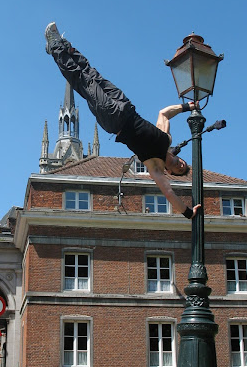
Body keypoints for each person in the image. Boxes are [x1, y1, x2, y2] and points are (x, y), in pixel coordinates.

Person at [45, 22, 201, 219]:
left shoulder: (155, 168)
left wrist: (188, 213)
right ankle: (64, 44)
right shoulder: (167, 139)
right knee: (92, 73)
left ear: (170, 172)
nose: (181, 165)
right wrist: (188, 107)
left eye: (180, 170)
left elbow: (169, 194)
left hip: (114, 120)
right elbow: (164, 113)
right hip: (126, 105)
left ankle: (55, 48)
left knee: (82, 81)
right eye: (183, 164)